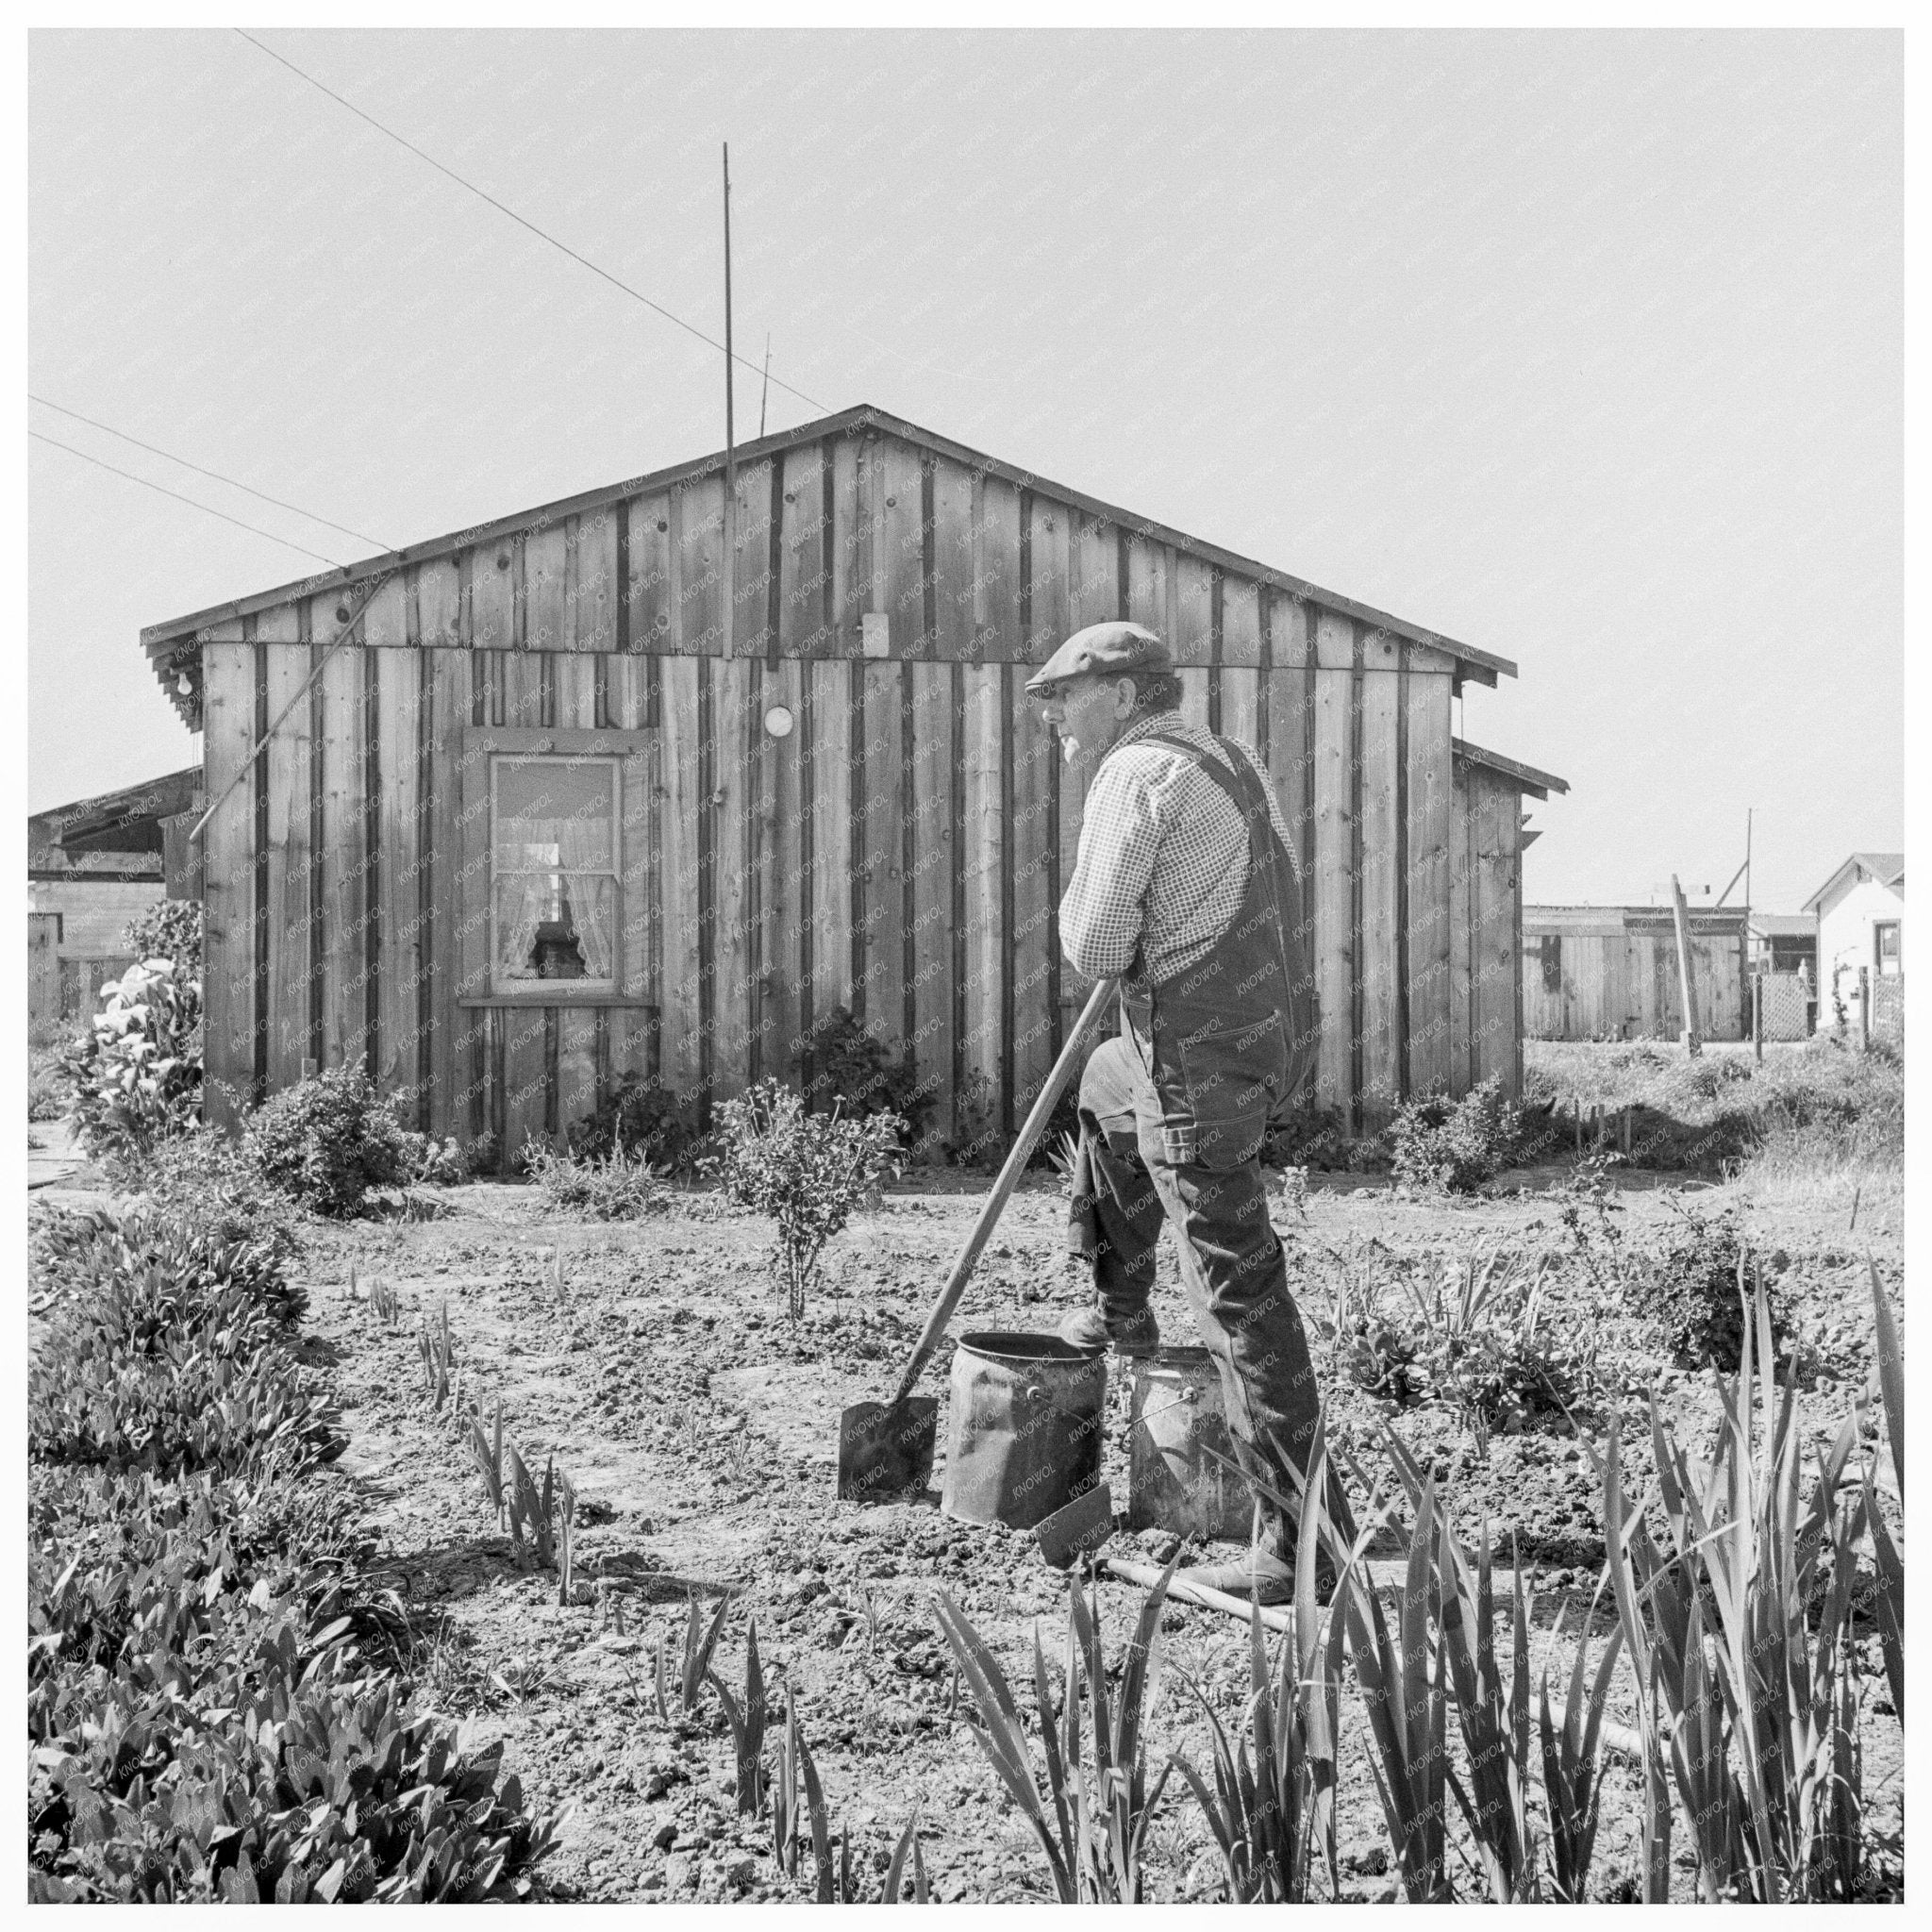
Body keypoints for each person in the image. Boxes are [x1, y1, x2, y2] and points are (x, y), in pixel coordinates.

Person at [1027, 620, 1341, 1601]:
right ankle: (1116, 1306)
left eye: (1063, 698)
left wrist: (1109, 925)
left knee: (1235, 1288)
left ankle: (1298, 1540)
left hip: (1200, 1056)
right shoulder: (1223, 756)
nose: (1052, 720)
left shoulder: (1130, 775)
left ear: (1121, 694)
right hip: (1261, 1032)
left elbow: (1092, 941)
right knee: (1104, 1087)